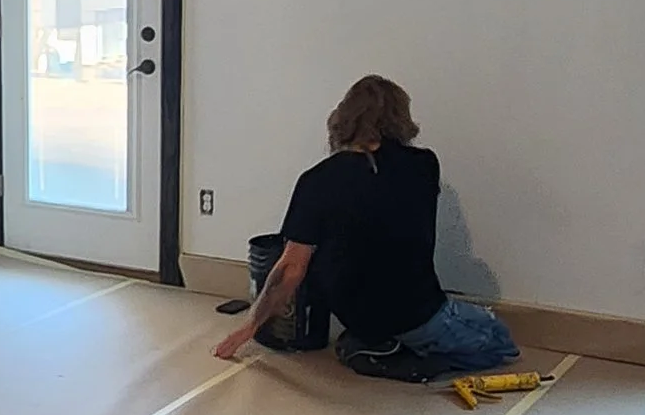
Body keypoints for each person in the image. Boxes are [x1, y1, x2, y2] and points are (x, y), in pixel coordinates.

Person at [214, 75, 518, 380]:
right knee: (500, 341)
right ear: (400, 118)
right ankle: (413, 360)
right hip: (416, 314)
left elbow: (290, 269)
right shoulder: (424, 164)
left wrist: (249, 327)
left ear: (343, 119)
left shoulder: (317, 180)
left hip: (357, 316)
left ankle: (373, 344)